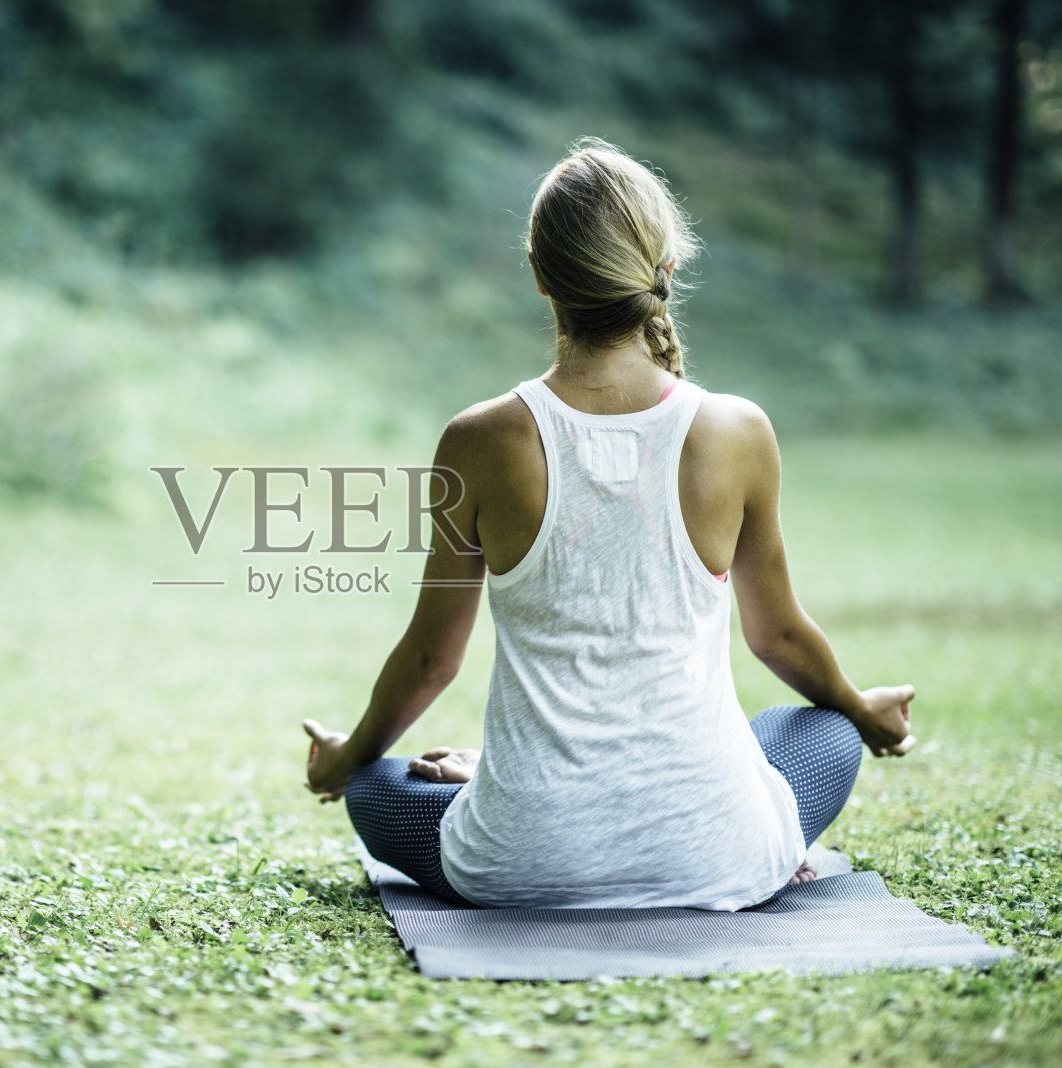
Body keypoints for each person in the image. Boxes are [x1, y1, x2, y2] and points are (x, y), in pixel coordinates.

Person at [301, 138, 916, 910]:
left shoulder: (478, 440)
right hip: (716, 855)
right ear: (665, 271)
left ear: (538, 275)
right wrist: (863, 711)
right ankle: (733, 826)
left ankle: (496, 783)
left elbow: (431, 659)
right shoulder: (738, 431)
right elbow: (780, 639)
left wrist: (345, 757)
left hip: (521, 861)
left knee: (379, 785)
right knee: (822, 730)